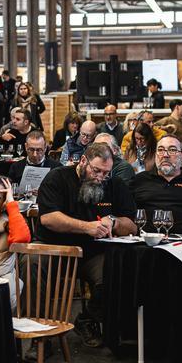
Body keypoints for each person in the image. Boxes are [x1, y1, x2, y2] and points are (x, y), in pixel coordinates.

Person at [38, 144, 137, 342]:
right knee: (31, 264)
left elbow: (132, 225)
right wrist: (86, 227)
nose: (100, 177)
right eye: (96, 170)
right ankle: (39, 336)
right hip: (56, 250)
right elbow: (48, 218)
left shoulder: (114, 184)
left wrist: (115, 222)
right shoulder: (57, 178)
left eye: (106, 173)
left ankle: (87, 318)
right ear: (83, 161)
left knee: (118, 268)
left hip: (93, 253)